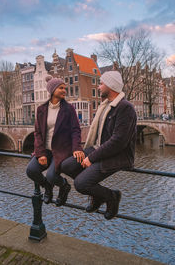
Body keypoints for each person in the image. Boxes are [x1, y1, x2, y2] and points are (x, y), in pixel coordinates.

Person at [61, 71, 137, 219]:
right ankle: (96, 193)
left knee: (81, 184)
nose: (99, 86)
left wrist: (92, 158)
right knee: (67, 165)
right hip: (100, 149)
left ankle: (111, 197)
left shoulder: (125, 108)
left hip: (118, 155)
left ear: (111, 85)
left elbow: (118, 142)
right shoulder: (105, 106)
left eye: (101, 83)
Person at [26, 75, 84, 206]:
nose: (64, 90)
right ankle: (47, 187)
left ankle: (64, 187)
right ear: (52, 90)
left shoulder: (69, 109)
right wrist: (40, 153)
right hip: (45, 150)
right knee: (31, 170)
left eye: (65, 88)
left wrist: (77, 148)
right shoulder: (41, 109)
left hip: (61, 150)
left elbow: (75, 130)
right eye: (61, 88)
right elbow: (38, 133)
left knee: (52, 176)